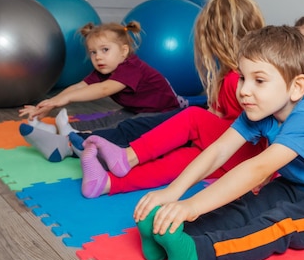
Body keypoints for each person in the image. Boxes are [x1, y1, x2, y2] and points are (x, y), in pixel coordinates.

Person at [132, 25, 304, 260]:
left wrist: (191, 205)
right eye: (242, 78)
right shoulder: (262, 108)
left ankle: (200, 252)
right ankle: (173, 232)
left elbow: (257, 168)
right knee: (249, 205)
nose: (244, 90)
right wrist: (174, 194)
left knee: (281, 223)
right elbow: (218, 150)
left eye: (259, 80)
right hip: (297, 184)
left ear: (296, 87)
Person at [76, 0, 267, 198]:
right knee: (186, 158)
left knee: (193, 117)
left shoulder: (244, 78)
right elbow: (221, 118)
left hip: (249, 155)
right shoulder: (229, 76)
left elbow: (269, 126)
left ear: (212, 37)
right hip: (232, 154)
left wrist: (265, 173)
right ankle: (107, 183)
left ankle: (128, 157)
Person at [18, 21, 185, 162]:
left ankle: (72, 142)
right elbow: (79, 86)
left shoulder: (132, 68)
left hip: (163, 115)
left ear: (124, 51)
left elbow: (104, 89)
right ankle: (56, 132)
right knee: (106, 120)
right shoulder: (105, 70)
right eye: (93, 52)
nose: (98, 57)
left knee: (124, 128)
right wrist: (51, 103)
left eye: (105, 50)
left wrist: (64, 100)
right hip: (136, 110)